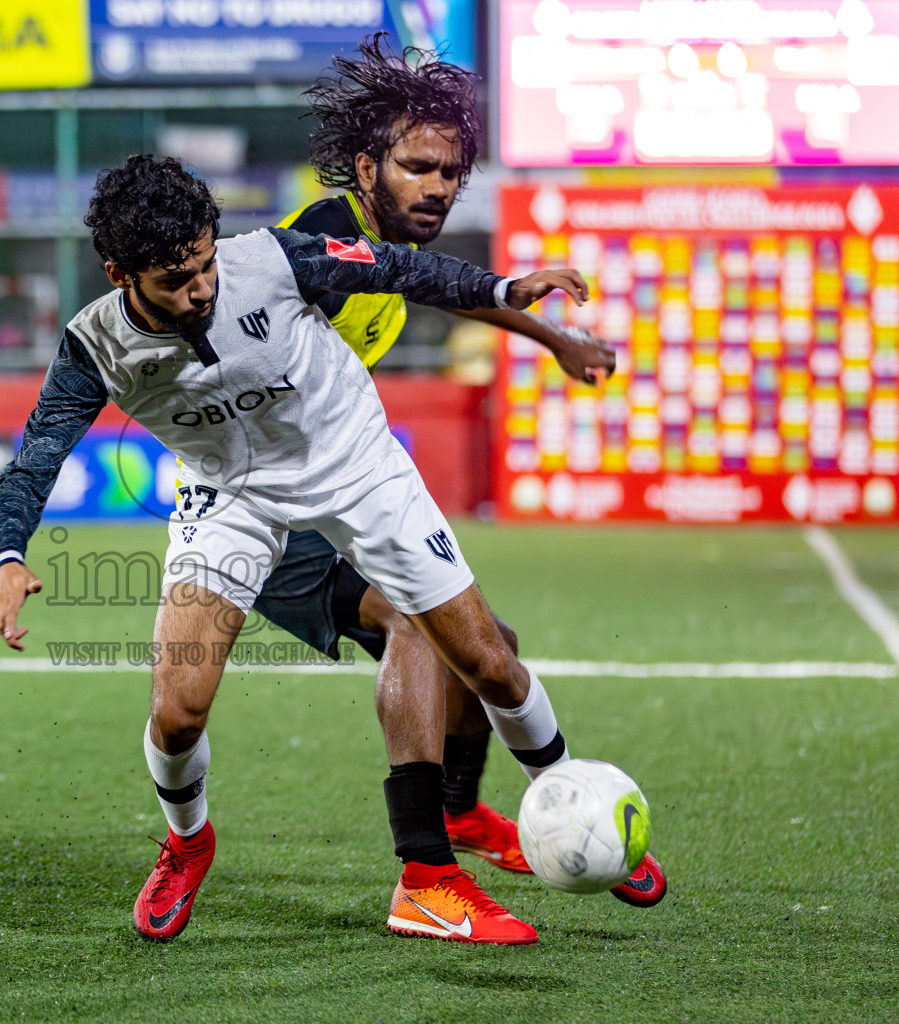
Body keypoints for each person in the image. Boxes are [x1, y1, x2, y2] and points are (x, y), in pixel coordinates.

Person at [0, 154, 612, 945]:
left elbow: (395, 268)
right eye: (176, 280)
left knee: (487, 659)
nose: (202, 289)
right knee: (177, 715)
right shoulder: (94, 347)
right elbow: (37, 454)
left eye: (206, 265)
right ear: (120, 274)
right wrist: (7, 556)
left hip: (357, 466)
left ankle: (569, 798)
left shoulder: (272, 258)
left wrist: (501, 291)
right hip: (231, 495)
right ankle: (188, 842)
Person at [256, 34, 666, 906]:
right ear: (366, 166)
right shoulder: (326, 240)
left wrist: (555, 337)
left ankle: (467, 811)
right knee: (419, 622)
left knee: (494, 649)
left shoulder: (384, 243)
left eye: (451, 171)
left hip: (329, 494)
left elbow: (439, 286)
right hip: (264, 513)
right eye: (419, 166)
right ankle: (426, 872)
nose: (439, 186)